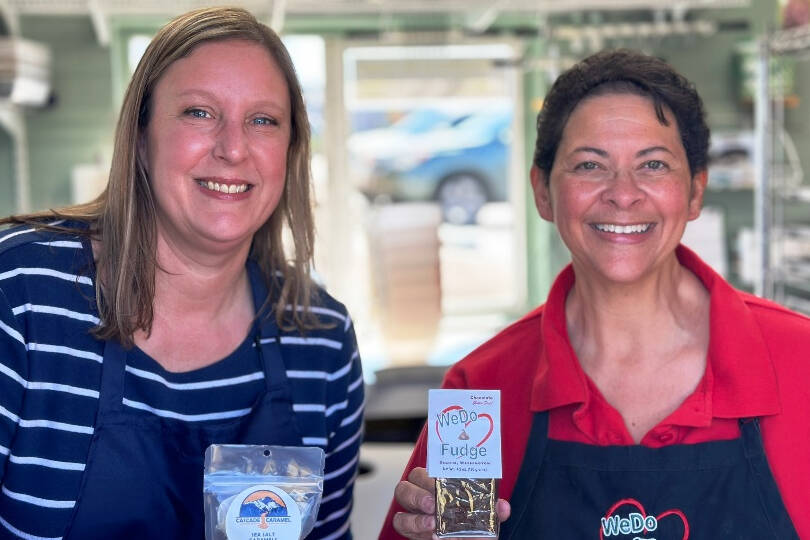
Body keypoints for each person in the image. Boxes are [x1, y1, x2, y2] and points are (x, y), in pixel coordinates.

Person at [380, 49, 810, 539]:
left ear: (695, 192)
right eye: (589, 165)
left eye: (653, 164)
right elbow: (458, 530)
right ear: (543, 192)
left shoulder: (802, 361)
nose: (623, 194)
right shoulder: (480, 396)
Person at [0, 7, 363, 539]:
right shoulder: (20, 295)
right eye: (199, 112)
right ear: (140, 137)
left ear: (290, 151)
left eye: (263, 120)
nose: (233, 148)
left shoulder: (321, 340)